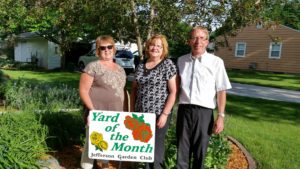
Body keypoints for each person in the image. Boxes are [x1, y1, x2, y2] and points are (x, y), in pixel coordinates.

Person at [176, 26, 232, 169]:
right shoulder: (181, 61)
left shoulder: (216, 62)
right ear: (189, 41)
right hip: (184, 110)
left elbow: (221, 90)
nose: (198, 41)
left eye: (202, 38)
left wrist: (221, 116)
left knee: (200, 152)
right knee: (182, 151)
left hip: (204, 113)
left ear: (207, 42)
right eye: (194, 37)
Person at [79, 35, 128, 169]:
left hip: (115, 114)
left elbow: (121, 92)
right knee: (92, 142)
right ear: (98, 51)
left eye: (109, 47)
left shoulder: (120, 69)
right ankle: (86, 167)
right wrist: (92, 110)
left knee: (109, 143)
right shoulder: (92, 67)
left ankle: (104, 166)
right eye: (102, 48)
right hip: (97, 112)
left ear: (114, 48)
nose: (106, 50)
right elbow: (83, 91)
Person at [130, 34, 177, 169]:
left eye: (159, 46)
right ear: (147, 47)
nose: (155, 48)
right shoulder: (141, 65)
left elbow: (173, 92)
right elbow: (134, 89)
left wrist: (164, 114)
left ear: (163, 49)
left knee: (156, 149)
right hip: (141, 115)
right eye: (152, 45)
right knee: (144, 148)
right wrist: (132, 111)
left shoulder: (167, 64)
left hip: (159, 114)